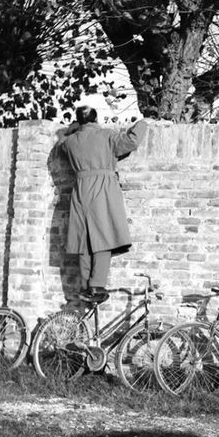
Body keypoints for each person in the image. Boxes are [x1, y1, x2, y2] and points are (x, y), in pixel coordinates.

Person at [58, 105, 147, 300]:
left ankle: (84, 286)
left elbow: (61, 142)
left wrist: (73, 129)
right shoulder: (107, 135)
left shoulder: (70, 142)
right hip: (103, 188)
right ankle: (97, 285)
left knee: (84, 239)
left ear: (79, 121)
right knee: (103, 236)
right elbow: (131, 141)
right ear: (96, 119)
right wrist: (143, 122)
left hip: (80, 189)